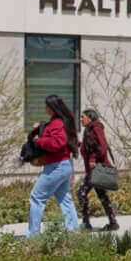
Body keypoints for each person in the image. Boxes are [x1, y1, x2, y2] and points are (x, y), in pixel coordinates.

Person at [25, 96, 82, 236]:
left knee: (36, 197)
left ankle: (33, 235)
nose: (44, 108)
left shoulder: (57, 123)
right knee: (64, 199)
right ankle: (74, 233)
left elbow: (58, 142)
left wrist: (39, 141)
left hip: (56, 167)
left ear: (51, 107)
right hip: (64, 165)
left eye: (46, 106)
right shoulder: (63, 121)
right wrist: (40, 129)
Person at [74, 105, 121, 232]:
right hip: (93, 170)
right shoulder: (89, 129)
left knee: (81, 192)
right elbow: (90, 145)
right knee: (102, 195)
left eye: (82, 117)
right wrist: (79, 144)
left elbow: (102, 146)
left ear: (90, 118)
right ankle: (113, 222)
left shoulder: (96, 128)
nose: (81, 119)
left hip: (97, 169)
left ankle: (86, 224)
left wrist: (93, 158)